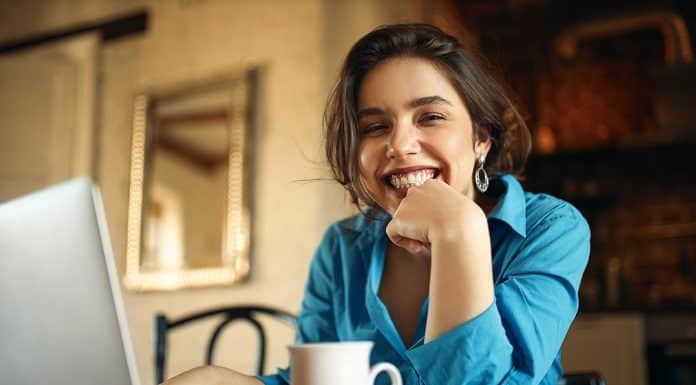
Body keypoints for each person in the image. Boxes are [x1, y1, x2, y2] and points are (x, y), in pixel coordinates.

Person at [163, 23, 590, 385]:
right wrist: (224, 380)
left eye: (430, 117)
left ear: (482, 138)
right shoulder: (341, 248)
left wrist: (460, 233)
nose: (400, 145)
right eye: (375, 126)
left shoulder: (551, 227)